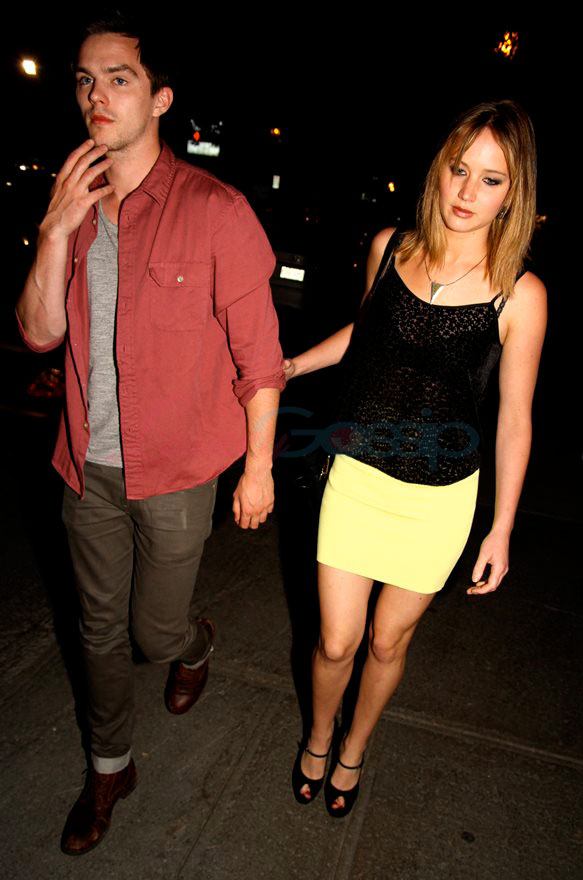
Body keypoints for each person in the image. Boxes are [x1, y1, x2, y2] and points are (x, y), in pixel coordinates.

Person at [16, 13, 285, 855]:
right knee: (97, 631)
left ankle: (193, 645)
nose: (95, 94)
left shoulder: (216, 210)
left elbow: (260, 357)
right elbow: (38, 333)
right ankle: (110, 768)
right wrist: (54, 230)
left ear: (161, 98)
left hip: (177, 471)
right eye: (84, 80)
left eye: (119, 78)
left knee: (152, 632)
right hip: (86, 467)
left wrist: (259, 469)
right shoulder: (73, 207)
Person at [286, 100, 546, 817]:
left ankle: (353, 748)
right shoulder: (390, 247)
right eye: (459, 170)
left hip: (439, 497)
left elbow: (515, 420)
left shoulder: (520, 294)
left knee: (385, 641)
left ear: (512, 193)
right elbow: (364, 336)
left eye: (490, 180)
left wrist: (500, 528)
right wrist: (292, 365)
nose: (467, 192)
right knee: (335, 642)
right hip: (359, 473)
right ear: (440, 170)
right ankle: (317, 736)